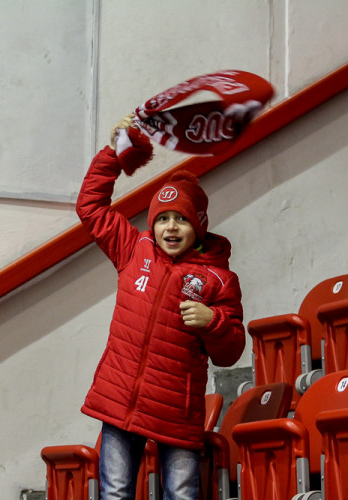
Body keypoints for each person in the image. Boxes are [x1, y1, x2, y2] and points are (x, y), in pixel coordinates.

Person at [76, 116, 246, 500]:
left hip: (177, 413)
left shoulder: (219, 279)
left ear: (199, 225)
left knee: (181, 495)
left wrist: (213, 322)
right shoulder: (133, 250)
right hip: (120, 402)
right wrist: (117, 154)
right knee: (115, 493)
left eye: (182, 219)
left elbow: (231, 350)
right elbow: (90, 206)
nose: (171, 227)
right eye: (163, 218)